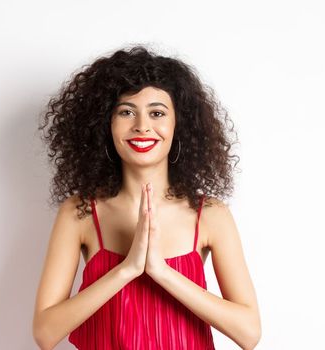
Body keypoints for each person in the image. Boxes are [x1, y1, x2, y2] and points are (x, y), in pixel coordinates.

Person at [32, 45, 260, 350]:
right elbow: (45, 333)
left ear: (178, 124)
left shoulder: (210, 215)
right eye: (126, 112)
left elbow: (249, 333)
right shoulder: (80, 212)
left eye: (157, 113)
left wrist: (160, 272)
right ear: (106, 125)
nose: (142, 126)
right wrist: (128, 268)